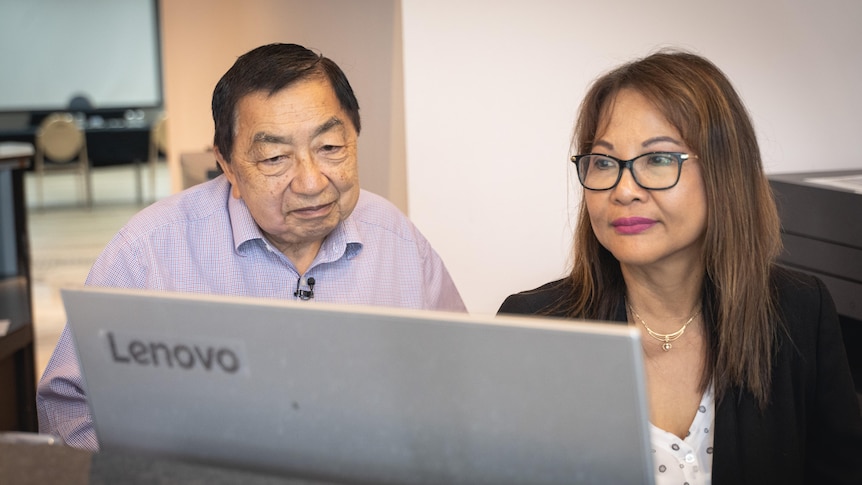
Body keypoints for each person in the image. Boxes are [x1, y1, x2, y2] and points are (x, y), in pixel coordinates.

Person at [37, 43, 466, 451]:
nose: (312, 182)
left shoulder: (400, 243)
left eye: (331, 147)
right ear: (226, 164)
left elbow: (461, 385)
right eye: (274, 159)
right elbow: (69, 405)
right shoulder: (148, 252)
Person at [498, 50, 862, 484]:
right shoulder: (533, 326)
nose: (624, 189)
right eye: (604, 162)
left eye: (658, 159)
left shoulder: (799, 312)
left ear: (724, 173)